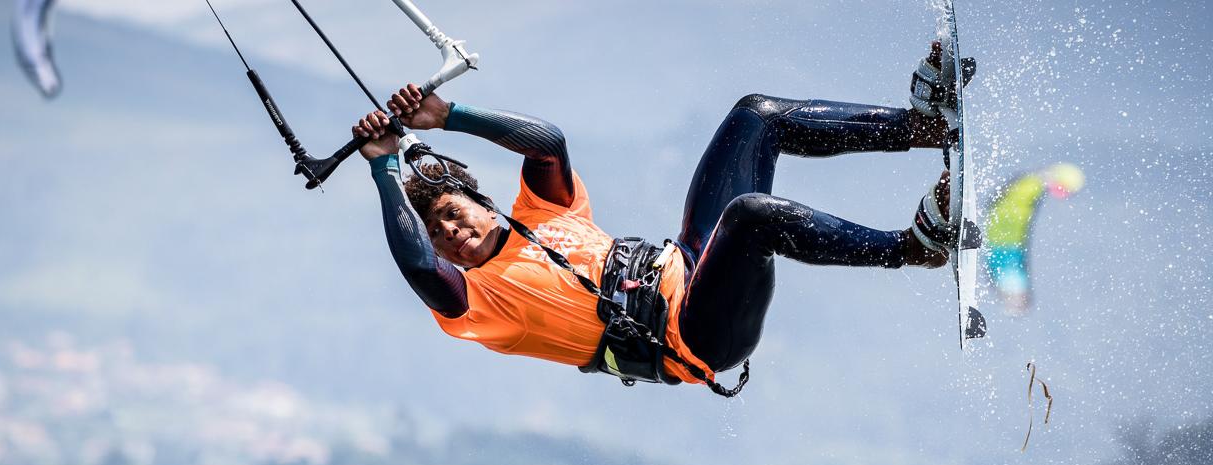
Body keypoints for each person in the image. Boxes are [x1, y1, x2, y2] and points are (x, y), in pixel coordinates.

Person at [355, 43, 963, 396]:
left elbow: (547, 143)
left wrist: (449, 114)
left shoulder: (543, 213)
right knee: (753, 216)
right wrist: (384, 167)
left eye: (452, 215)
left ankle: (921, 126)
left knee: (755, 116)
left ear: (482, 202)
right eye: (439, 233)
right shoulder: (478, 305)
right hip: (695, 337)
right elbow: (415, 263)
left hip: (690, 262)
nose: (450, 234)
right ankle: (914, 246)